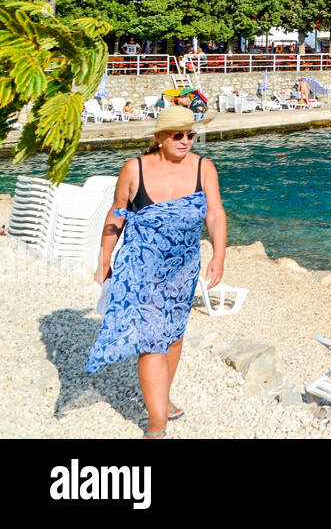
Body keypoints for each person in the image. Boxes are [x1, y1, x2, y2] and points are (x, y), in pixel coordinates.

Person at [86, 105, 227, 438]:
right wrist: (104, 257)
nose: (185, 141)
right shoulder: (134, 168)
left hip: (183, 266)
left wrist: (219, 255)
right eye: (177, 135)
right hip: (141, 266)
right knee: (152, 340)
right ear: (160, 138)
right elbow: (116, 215)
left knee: (175, 335)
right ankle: (156, 425)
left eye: (191, 134)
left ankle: (161, 398)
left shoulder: (204, 168)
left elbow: (216, 214)